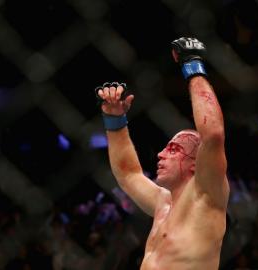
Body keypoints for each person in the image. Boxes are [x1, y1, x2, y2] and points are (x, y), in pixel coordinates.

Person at [95, 37, 230, 269]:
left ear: (196, 164)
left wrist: (193, 65)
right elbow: (128, 174)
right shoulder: (162, 203)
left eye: (174, 149)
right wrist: (115, 120)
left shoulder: (207, 196)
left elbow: (213, 135)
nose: (160, 155)